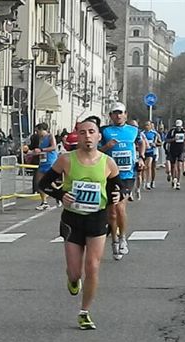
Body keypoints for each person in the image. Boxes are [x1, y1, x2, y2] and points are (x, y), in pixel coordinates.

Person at [38, 116, 122, 330]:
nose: (87, 136)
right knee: (75, 272)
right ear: (77, 136)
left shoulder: (107, 162)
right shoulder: (67, 159)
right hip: (72, 220)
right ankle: (73, 279)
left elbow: (118, 188)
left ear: (98, 136)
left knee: (93, 267)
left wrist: (117, 195)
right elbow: (44, 183)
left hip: (96, 218)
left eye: (91, 132)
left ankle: (84, 312)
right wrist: (60, 194)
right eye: (83, 132)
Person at [100, 102, 145, 261]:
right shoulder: (105, 131)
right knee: (111, 212)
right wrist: (107, 146)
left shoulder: (134, 130)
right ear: (110, 115)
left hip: (127, 176)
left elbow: (141, 143)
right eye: (115, 113)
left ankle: (123, 238)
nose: (118, 116)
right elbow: (95, 152)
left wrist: (141, 158)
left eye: (121, 113)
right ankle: (114, 241)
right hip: (109, 175)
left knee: (120, 208)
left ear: (126, 114)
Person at [32, 123, 58, 210]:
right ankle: (45, 202)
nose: (36, 133)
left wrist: (42, 150)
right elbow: (39, 150)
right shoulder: (41, 139)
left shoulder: (50, 136)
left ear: (42, 130)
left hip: (50, 161)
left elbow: (54, 147)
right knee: (39, 182)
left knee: (47, 181)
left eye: (37, 131)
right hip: (43, 161)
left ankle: (58, 195)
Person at [166, 119, 185, 190]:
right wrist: (173, 139)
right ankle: (173, 178)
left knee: (180, 167)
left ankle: (178, 182)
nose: (178, 128)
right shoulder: (172, 131)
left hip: (181, 150)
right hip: (173, 150)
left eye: (180, 126)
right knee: (173, 166)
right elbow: (166, 140)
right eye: (177, 126)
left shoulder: (184, 131)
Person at [142, 121, 162, 190]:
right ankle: (144, 181)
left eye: (148, 125)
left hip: (151, 152)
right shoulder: (142, 134)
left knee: (149, 166)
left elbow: (160, 143)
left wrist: (155, 144)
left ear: (151, 126)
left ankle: (149, 182)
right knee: (143, 168)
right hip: (144, 152)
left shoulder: (154, 134)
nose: (146, 126)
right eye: (145, 125)